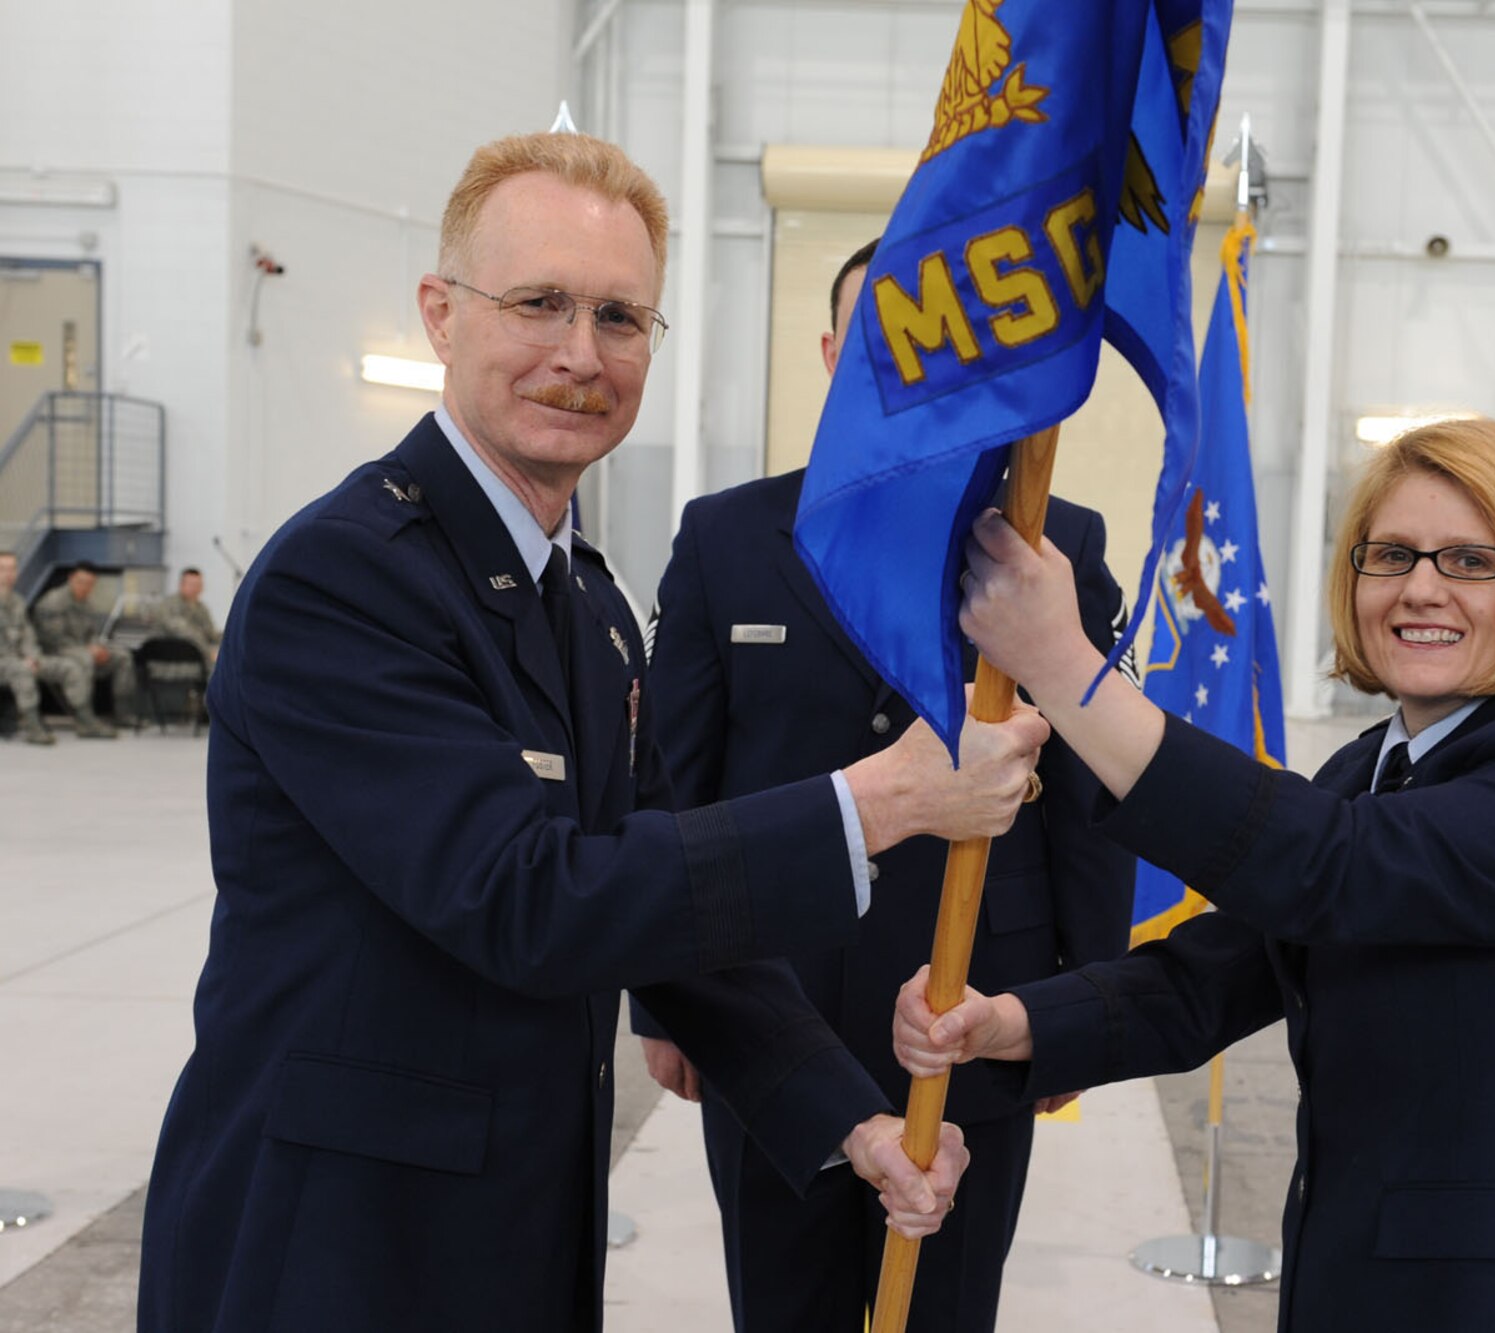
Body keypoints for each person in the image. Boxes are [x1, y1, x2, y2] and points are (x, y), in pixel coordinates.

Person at [138, 132, 1050, 1333]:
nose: (580, 354)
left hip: (512, 1229)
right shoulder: (345, 579)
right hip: (336, 1243)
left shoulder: (587, 607)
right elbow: (524, 897)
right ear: (440, 313)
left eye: (620, 317)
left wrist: (852, 1119)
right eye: (539, 303)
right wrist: (883, 798)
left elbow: (677, 907)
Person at [897, 418, 1495, 1332]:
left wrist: (1065, 669)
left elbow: (1330, 866)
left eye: (1472, 560)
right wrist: (1012, 1024)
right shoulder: (1371, 769)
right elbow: (1211, 976)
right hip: (1347, 1283)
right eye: (1389, 555)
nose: (1419, 587)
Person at [631, 240, 1136, 1333]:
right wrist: (663, 997)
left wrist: (1075, 1010)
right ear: (828, 352)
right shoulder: (725, 537)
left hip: (974, 1000)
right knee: (780, 1302)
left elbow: (1091, 794)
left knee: (946, 1307)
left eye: (937, 344)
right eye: (878, 339)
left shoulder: (1053, 542)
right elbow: (673, 780)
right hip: (767, 999)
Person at [1, 550, 105, 743]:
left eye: (12, 568)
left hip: (25, 658)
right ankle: (33, 726)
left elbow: (28, 636)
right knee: (21, 670)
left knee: (70, 667)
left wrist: (32, 656)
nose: (9, 574)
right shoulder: (54, 601)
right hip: (6, 662)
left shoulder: (17, 602)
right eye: (3, 569)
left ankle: (85, 719)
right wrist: (22, 660)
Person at [33, 561, 138, 727]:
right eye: (81, 582)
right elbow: (55, 640)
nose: (85, 588)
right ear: (71, 579)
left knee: (123, 657)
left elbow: (91, 633)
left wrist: (98, 647)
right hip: (56, 651)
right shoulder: (53, 602)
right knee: (86, 658)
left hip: (81, 650)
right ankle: (86, 718)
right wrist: (88, 650)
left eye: (90, 584)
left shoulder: (86, 604)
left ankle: (123, 715)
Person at [158, 566, 223, 665]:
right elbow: (186, 633)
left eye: (198, 585)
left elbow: (211, 633)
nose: (195, 589)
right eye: (192, 585)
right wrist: (208, 652)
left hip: (196, 658)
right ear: (181, 585)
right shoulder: (168, 605)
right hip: (172, 660)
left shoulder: (202, 608)